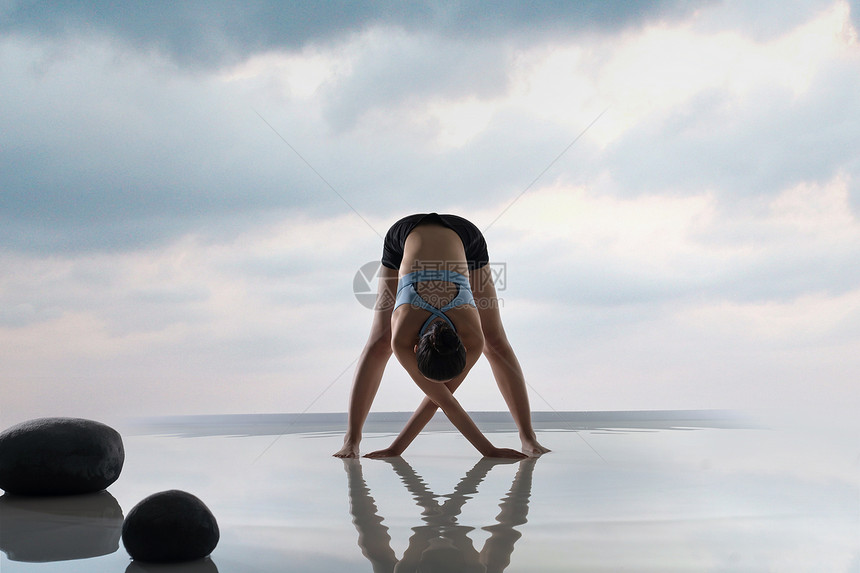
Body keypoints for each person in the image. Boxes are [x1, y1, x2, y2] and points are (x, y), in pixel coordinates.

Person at [333, 213, 549, 459]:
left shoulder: (470, 339)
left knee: (496, 341)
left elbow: (444, 401)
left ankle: (528, 437)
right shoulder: (404, 334)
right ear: (416, 349)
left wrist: (396, 449)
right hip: (440, 236)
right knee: (380, 341)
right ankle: (351, 439)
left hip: (450, 239)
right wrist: (487, 450)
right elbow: (445, 402)